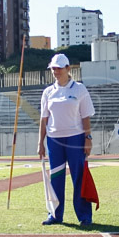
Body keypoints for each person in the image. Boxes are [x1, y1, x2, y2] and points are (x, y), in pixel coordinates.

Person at [37, 54, 95, 226]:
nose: (55, 71)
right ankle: (55, 214)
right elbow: (43, 119)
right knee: (56, 178)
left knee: (78, 177)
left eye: (59, 68)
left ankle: (84, 216)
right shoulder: (48, 92)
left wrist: (88, 138)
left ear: (68, 68)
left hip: (75, 138)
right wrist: (40, 142)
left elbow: (86, 117)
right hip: (54, 140)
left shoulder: (79, 89)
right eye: (53, 68)